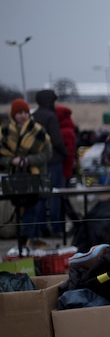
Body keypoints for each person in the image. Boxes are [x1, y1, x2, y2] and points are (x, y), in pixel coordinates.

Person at [0, 98, 52, 240]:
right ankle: (24, 243)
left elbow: (47, 153)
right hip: (14, 179)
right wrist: (12, 161)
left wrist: (28, 160)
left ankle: (29, 241)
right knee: (19, 211)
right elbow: (1, 156)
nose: (23, 115)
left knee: (33, 210)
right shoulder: (4, 132)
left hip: (35, 177)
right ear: (13, 114)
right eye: (19, 113)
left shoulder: (38, 131)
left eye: (25, 112)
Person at [32, 89, 67, 236]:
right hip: (53, 160)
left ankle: (41, 227)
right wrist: (66, 153)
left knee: (40, 195)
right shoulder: (50, 116)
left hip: (37, 162)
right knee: (55, 194)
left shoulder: (32, 116)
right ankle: (57, 228)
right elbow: (57, 140)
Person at [55, 104, 78, 185]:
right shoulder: (67, 129)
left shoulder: (65, 131)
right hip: (65, 169)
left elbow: (69, 152)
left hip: (63, 169)